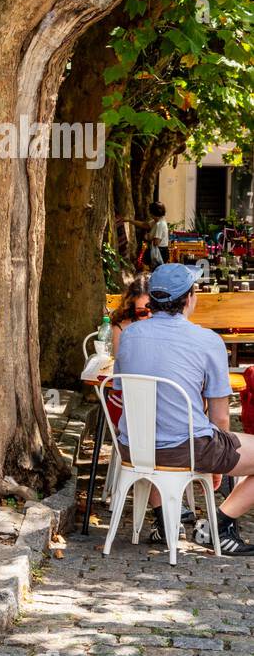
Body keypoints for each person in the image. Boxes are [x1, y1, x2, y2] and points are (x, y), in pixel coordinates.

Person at [113, 264, 254, 552]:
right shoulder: (207, 341)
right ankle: (219, 525)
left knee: (159, 427)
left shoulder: (129, 335)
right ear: (189, 298)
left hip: (133, 448)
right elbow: (220, 416)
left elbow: (120, 391)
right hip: (187, 448)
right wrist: (219, 465)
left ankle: (165, 521)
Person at [102, 272, 152, 430]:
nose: (148, 316)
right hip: (130, 399)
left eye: (153, 310)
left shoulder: (167, 326)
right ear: (132, 306)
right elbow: (120, 366)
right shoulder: (122, 327)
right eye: (142, 312)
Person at [147, 201, 169, 268]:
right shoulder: (159, 221)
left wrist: (148, 237)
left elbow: (156, 242)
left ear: (152, 213)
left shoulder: (160, 224)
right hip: (162, 251)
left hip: (160, 252)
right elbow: (145, 225)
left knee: (157, 272)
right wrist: (130, 221)